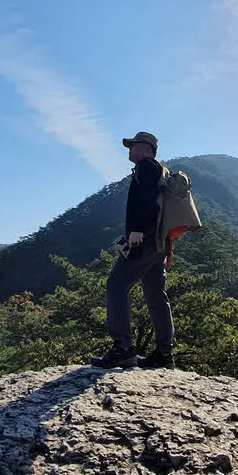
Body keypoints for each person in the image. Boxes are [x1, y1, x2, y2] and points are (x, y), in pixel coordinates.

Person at [92, 131, 175, 369]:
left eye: (133, 145)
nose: (129, 149)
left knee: (116, 284)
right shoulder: (158, 169)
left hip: (145, 241)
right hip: (159, 242)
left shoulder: (147, 167)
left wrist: (137, 229)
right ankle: (164, 354)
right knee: (156, 294)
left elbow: (148, 199)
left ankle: (123, 349)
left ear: (147, 147)